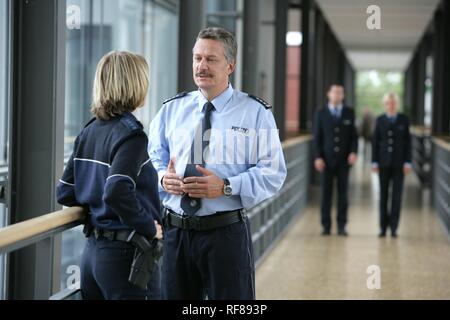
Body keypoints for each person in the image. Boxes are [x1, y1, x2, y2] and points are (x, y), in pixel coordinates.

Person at [148, 27, 286, 300]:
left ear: (230, 65)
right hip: (176, 233)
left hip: (225, 235)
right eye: (197, 58)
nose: (201, 66)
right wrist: (163, 177)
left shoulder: (255, 113)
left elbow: (273, 172)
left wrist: (225, 186)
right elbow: (151, 158)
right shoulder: (171, 110)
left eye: (211, 59)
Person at [56, 51, 163, 299]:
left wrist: (96, 201)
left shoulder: (89, 131)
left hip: (92, 256)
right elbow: (116, 191)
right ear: (136, 85)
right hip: (125, 258)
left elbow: (65, 192)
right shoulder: (132, 136)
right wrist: (149, 226)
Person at [313, 85, 358, 236]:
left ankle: (341, 225)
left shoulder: (349, 112)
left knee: (343, 194)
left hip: (344, 161)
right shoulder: (321, 113)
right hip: (326, 160)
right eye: (334, 92)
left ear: (343, 95)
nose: (337, 95)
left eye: (340, 92)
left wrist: (353, 152)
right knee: (326, 194)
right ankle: (326, 225)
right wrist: (318, 157)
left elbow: (354, 136)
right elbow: (317, 137)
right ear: (329, 94)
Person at [372, 93, 412, 238]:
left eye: (393, 102)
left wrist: (408, 162)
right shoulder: (380, 119)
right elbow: (375, 142)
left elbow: (408, 143)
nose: (391, 105)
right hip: (383, 163)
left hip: (399, 163)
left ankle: (394, 227)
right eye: (388, 102)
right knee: (383, 195)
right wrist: (374, 161)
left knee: (397, 196)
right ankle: (383, 227)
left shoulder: (404, 119)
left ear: (397, 104)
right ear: (385, 104)